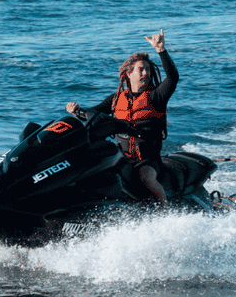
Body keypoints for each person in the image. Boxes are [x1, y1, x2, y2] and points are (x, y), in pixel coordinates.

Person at [67, 32, 179, 204]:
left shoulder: (157, 96)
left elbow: (172, 78)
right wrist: (76, 111)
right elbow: (93, 114)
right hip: (121, 156)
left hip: (147, 159)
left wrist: (161, 50)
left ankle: (165, 214)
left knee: (146, 179)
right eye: (141, 69)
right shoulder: (116, 98)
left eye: (148, 69)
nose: (146, 73)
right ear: (129, 73)